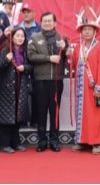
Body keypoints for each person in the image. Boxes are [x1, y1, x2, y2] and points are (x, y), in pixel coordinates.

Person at [67, 10, 100, 154]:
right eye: (84, 30)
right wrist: (69, 56)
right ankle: (83, 140)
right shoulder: (78, 47)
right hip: (81, 88)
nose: (86, 32)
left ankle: (98, 142)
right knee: (83, 115)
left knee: (95, 115)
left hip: (93, 87)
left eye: (89, 30)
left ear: (94, 31)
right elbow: (73, 64)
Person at [27, 12, 69, 152]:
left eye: (50, 21)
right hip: (40, 79)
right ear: (41, 22)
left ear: (55, 23)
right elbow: (31, 56)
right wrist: (48, 58)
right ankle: (42, 141)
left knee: (55, 111)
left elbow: (69, 58)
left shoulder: (62, 38)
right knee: (41, 111)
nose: (47, 23)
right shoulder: (34, 37)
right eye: (44, 21)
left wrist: (66, 49)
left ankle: (54, 140)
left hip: (57, 80)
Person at [0, 28, 33, 153]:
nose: (20, 38)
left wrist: (25, 67)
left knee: (18, 115)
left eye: (22, 36)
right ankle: (4, 143)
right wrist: (6, 59)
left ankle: (16, 141)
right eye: (17, 36)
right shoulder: (6, 50)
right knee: (7, 116)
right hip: (7, 88)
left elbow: (32, 67)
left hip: (21, 86)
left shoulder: (26, 52)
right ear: (12, 37)